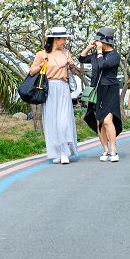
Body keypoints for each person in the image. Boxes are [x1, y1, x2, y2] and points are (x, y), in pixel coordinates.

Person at [29, 27, 79, 165]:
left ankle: (64, 152)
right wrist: (41, 63)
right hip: (49, 88)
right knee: (53, 121)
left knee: (64, 121)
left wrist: (72, 66)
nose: (65, 41)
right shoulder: (42, 53)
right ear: (55, 39)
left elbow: (73, 72)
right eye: (63, 39)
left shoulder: (66, 53)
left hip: (63, 88)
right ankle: (57, 152)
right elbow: (32, 72)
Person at [79, 27, 123, 162]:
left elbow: (103, 65)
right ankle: (105, 149)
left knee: (107, 120)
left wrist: (98, 51)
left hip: (110, 90)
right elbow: (81, 58)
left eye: (99, 41)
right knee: (99, 121)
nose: (97, 42)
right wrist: (88, 47)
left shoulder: (115, 55)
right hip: (97, 90)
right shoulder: (96, 55)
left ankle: (114, 150)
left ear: (105, 42)